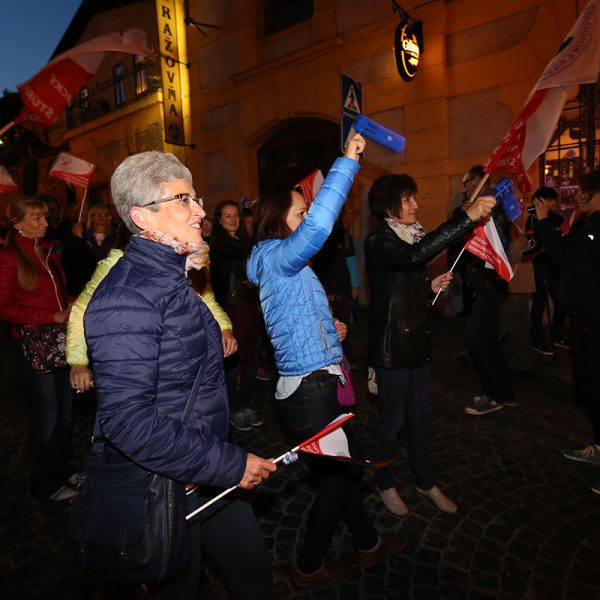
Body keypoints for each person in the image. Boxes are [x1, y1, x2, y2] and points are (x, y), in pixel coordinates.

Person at [84, 151, 276, 598]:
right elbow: (126, 421)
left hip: (204, 466)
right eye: (183, 199)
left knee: (253, 577)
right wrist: (229, 464)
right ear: (142, 217)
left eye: (196, 197)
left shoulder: (175, 277)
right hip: (167, 482)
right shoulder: (126, 298)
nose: (200, 211)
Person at [247, 134, 405, 588]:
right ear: (278, 219)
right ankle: (309, 565)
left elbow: (292, 318)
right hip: (312, 390)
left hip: (313, 383)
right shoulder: (279, 257)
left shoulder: (278, 263)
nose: (306, 217)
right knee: (337, 482)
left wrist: (328, 330)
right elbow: (318, 228)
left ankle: (368, 543)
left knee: (345, 472)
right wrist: (347, 162)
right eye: (299, 212)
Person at [364, 174, 495, 516]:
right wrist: (465, 218)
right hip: (392, 344)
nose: (415, 205)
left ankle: (426, 481)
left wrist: (429, 286)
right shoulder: (378, 240)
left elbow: (403, 281)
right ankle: (385, 482)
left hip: (417, 340)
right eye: (408, 199)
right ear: (390, 207)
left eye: (414, 198)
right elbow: (410, 257)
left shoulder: (411, 234)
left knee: (420, 418)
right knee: (392, 421)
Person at [0, 196, 76, 501]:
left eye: (44, 217)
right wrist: (51, 316)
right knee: (48, 416)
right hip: (33, 345)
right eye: (36, 218)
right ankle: (44, 483)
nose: (45, 223)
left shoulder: (47, 252)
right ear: (18, 224)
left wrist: (74, 303)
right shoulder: (8, 258)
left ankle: (64, 470)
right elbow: (4, 308)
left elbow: (59, 294)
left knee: (66, 413)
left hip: (59, 341)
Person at [533, 170, 600, 495]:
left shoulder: (597, 226)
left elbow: (564, 255)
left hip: (594, 318)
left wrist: (545, 221)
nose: (579, 196)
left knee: (593, 386)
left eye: (585, 190)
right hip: (586, 317)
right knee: (587, 387)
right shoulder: (590, 223)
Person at [462, 176, 515, 416]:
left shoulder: (492, 203)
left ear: (479, 182)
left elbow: (497, 243)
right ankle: (503, 393)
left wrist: (475, 217)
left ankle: (494, 396)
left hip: (491, 281)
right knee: (489, 339)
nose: (466, 188)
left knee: (476, 339)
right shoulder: (488, 203)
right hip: (489, 282)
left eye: (469, 182)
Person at [210, 200, 264, 431]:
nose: (233, 219)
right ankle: (234, 407)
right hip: (232, 308)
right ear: (219, 219)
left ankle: (243, 402)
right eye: (227, 216)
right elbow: (243, 259)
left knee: (252, 356)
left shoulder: (244, 242)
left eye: (235, 215)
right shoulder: (219, 246)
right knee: (235, 360)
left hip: (250, 307)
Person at [524, 187, 565, 355]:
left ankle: (557, 335)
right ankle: (537, 339)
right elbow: (529, 243)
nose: (553, 203)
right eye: (550, 200)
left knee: (560, 301)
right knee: (540, 302)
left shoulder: (557, 218)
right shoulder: (532, 219)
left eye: (554, 200)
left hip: (555, 266)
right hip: (539, 265)